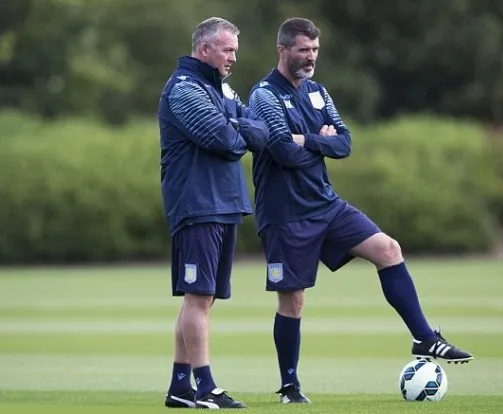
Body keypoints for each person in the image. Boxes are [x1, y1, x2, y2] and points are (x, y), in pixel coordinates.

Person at [247, 17, 474, 404]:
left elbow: (346, 143)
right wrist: (320, 141)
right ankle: (290, 387)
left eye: (315, 50)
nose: (311, 57)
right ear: (282, 50)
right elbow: (282, 152)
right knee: (293, 301)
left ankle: (424, 339)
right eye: (303, 50)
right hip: (285, 214)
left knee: (388, 249)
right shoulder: (263, 95)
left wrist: (307, 140)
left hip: (325, 203)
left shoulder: (318, 92)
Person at [158, 17, 268, 409]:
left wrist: (236, 125)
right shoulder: (185, 88)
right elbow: (224, 140)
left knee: (202, 299)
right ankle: (206, 387)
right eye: (228, 49)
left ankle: (179, 387)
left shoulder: (220, 86)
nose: (233, 57)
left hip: (223, 202)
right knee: (198, 297)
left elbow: (260, 129)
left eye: (235, 50)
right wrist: (237, 127)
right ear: (205, 49)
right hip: (197, 203)